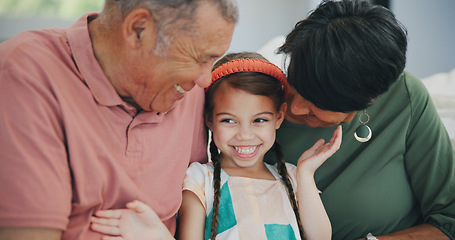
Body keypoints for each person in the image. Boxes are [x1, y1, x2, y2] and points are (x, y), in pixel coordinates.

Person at [0, 0, 238, 239]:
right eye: (199, 58)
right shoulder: (27, 73)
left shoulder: (188, 92)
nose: (206, 80)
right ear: (138, 29)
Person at [89, 52, 342, 240]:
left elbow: (321, 237)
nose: (244, 135)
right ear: (209, 119)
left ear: (279, 117)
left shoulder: (291, 177)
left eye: (259, 120)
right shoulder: (200, 179)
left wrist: (306, 174)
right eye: (229, 120)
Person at [264, 0, 455, 239]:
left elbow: (449, 221)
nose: (295, 107)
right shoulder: (261, 108)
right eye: (294, 81)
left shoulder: (405, 99)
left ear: (369, 100)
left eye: (317, 102)